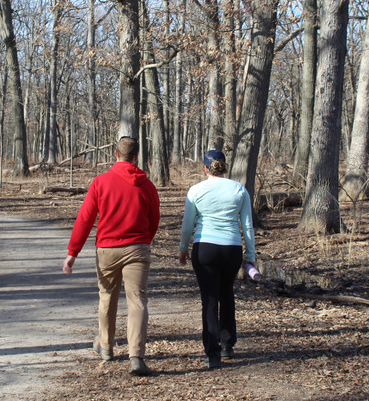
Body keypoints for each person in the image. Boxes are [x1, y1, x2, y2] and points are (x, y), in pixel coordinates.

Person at [63, 136, 160, 376]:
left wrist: (72, 252)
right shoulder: (146, 185)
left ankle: (106, 347)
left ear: (115, 155)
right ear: (136, 157)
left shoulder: (100, 182)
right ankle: (136, 356)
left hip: (107, 250)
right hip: (137, 248)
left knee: (107, 297)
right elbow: (155, 218)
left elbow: (85, 219)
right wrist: (145, 240)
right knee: (137, 300)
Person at [178, 149, 256, 369]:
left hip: (205, 249)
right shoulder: (239, 189)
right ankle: (227, 345)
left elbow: (187, 226)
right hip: (231, 249)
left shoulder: (196, 190)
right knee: (226, 294)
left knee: (210, 299)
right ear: (225, 166)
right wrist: (250, 256)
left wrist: (183, 249)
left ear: (205, 168)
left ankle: (213, 353)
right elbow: (247, 227)